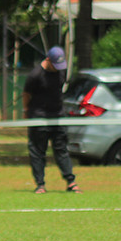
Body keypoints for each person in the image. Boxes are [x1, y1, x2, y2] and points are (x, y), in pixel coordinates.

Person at [24, 46, 80, 194]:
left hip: (58, 116)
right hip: (39, 117)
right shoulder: (35, 75)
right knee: (37, 152)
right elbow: (26, 94)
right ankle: (40, 185)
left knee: (61, 150)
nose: (58, 69)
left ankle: (71, 182)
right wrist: (26, 111)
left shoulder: (62, 71)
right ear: (48, 60)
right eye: (55, 65)